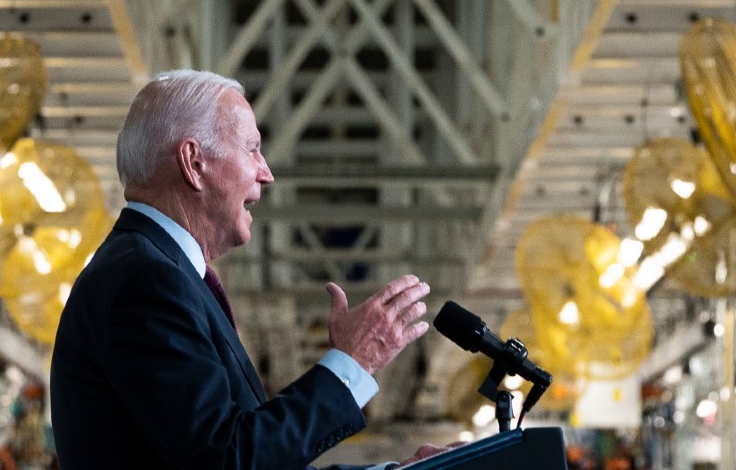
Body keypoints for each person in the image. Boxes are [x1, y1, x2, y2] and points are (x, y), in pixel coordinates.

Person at [51, 69, 458, 470]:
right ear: (194, 162)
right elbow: (229, 461)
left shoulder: (154, 271)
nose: (266, 172)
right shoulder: (146, 282)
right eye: (252, 149)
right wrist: (352, 362)